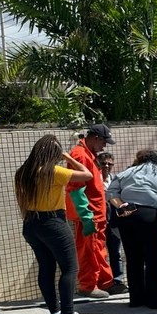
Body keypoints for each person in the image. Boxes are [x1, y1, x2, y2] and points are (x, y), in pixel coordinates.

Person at [15, 135, 94, 314]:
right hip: (53, 222)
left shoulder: (23, 173)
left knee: (46, 268)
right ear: (54, 154)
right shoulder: (54, 172)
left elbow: (21, 201)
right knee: (70, 267)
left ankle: (55, 311)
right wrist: (68, 158)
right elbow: (87, 174)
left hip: (31, 224)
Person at [107, 150, 157, 310]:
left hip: (126, 215)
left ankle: (136, 299)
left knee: (133, 259)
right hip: (150, 216)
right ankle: (156, 301)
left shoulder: (127, 172)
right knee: (152, 259)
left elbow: (110, 192)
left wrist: (120, 205)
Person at [66, 124, 116, 298]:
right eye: (104, 142)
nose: (105, 147)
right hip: (90, 214)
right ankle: (88, 285)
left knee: (98, 249)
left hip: (96, 212)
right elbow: (75, 187)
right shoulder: (80, 155)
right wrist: (86, 215)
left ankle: (104, 282)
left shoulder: (89, 154)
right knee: (88, 250)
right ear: (95, 138)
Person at [97, 151, 126, 293]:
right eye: (103, 163)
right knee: (99, 253)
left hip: (113, 222)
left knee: (116, 252)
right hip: (98, 222)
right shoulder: (94, 180)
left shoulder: (115, 180)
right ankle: (102, 282)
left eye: (110, 163)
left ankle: (118, 280)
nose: (107, 166)